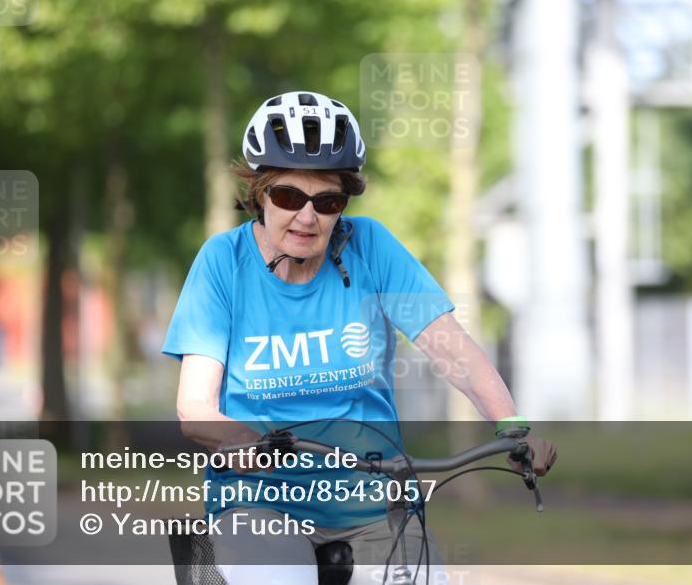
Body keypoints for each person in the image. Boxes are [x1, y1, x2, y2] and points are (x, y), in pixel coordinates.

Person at [163, 91, 556, 585]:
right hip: (259, 500)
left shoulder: (370, 246)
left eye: (326, 201)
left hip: (373, 501)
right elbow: (194, 407)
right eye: (288, 197)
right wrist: (241, 440)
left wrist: (511, 426)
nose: (307, 218)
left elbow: (449, 346)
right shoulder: (222, 262)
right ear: (258, 193)